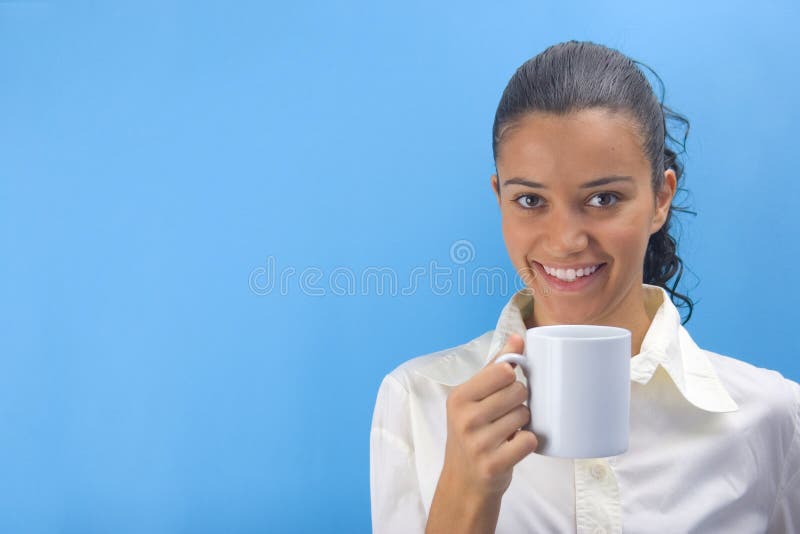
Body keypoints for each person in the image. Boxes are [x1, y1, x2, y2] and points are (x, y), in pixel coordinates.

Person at [369, 40, 800, 533]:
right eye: (531, 200)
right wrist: (465, 497)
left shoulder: (775, 420)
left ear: (661, 198)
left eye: (603, 198)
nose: (567, 240)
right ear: (500, 198)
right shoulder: (417, 401)